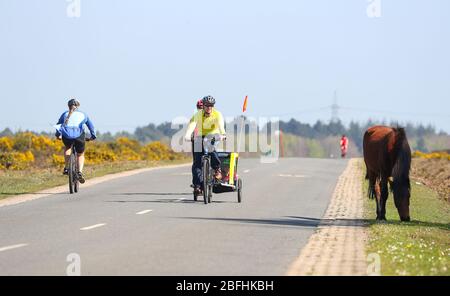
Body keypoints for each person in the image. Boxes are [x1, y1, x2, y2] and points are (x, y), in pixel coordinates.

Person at [184, 95, 226, 194]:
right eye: (207, 105)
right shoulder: (198, 114)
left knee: (210, 148)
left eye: (211, 105)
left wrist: (223, 134)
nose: (209, 108)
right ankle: (197, 186)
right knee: (197, 162)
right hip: (200, 136)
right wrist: (188, 135)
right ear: (203, 106)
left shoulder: (217, 114)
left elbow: (220, 125)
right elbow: (192, 125)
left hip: (213, 135)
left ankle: (217, 169)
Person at [55, 99, 96, 183]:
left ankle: (66, 168)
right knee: (80, 154)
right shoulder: (83, 114)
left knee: (67, 148)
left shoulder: (64, 114)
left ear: (68, 106)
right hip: (79, 136)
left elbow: (59, 125)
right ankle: (79, 172)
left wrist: (58, 135)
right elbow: (91, 127)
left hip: (67, 136)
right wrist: (93, 136)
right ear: (78, 106)